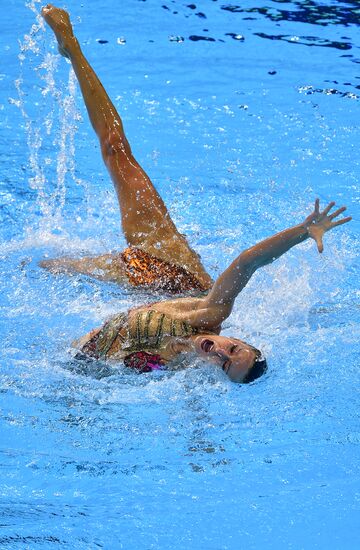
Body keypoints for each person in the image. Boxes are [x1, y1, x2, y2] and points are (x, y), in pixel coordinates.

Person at [41, 5, 351, 383]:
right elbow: (246, 264)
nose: (218, 351)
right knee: (116, 150)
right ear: (234, 336)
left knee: (43, 264)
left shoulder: (176, 372)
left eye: (223, 363)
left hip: (135, 296)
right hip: (169, 270)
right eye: (232, 349)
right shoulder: (209, 313)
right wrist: (303, 231)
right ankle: (71, 45)